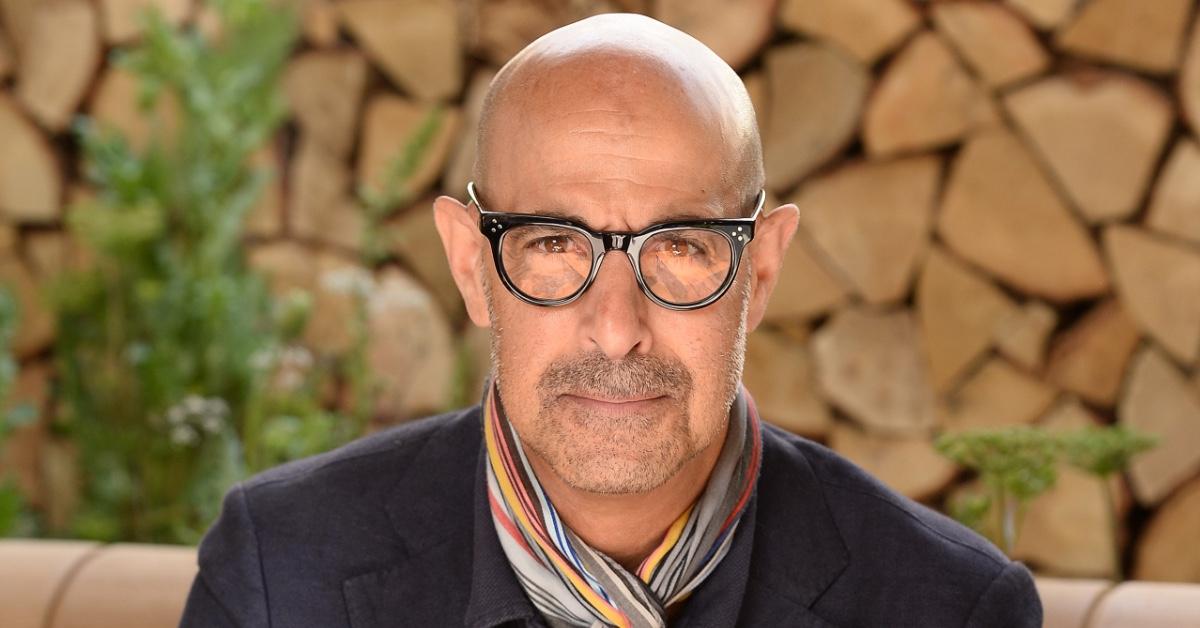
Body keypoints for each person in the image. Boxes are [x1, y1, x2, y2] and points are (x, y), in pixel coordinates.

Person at [180, 13, 1042, 628]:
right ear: (473, 265)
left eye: (682, 247)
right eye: (554, 243)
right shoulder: (279, 574)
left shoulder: (947, 606)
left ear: (763, 269)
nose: (617, 327)